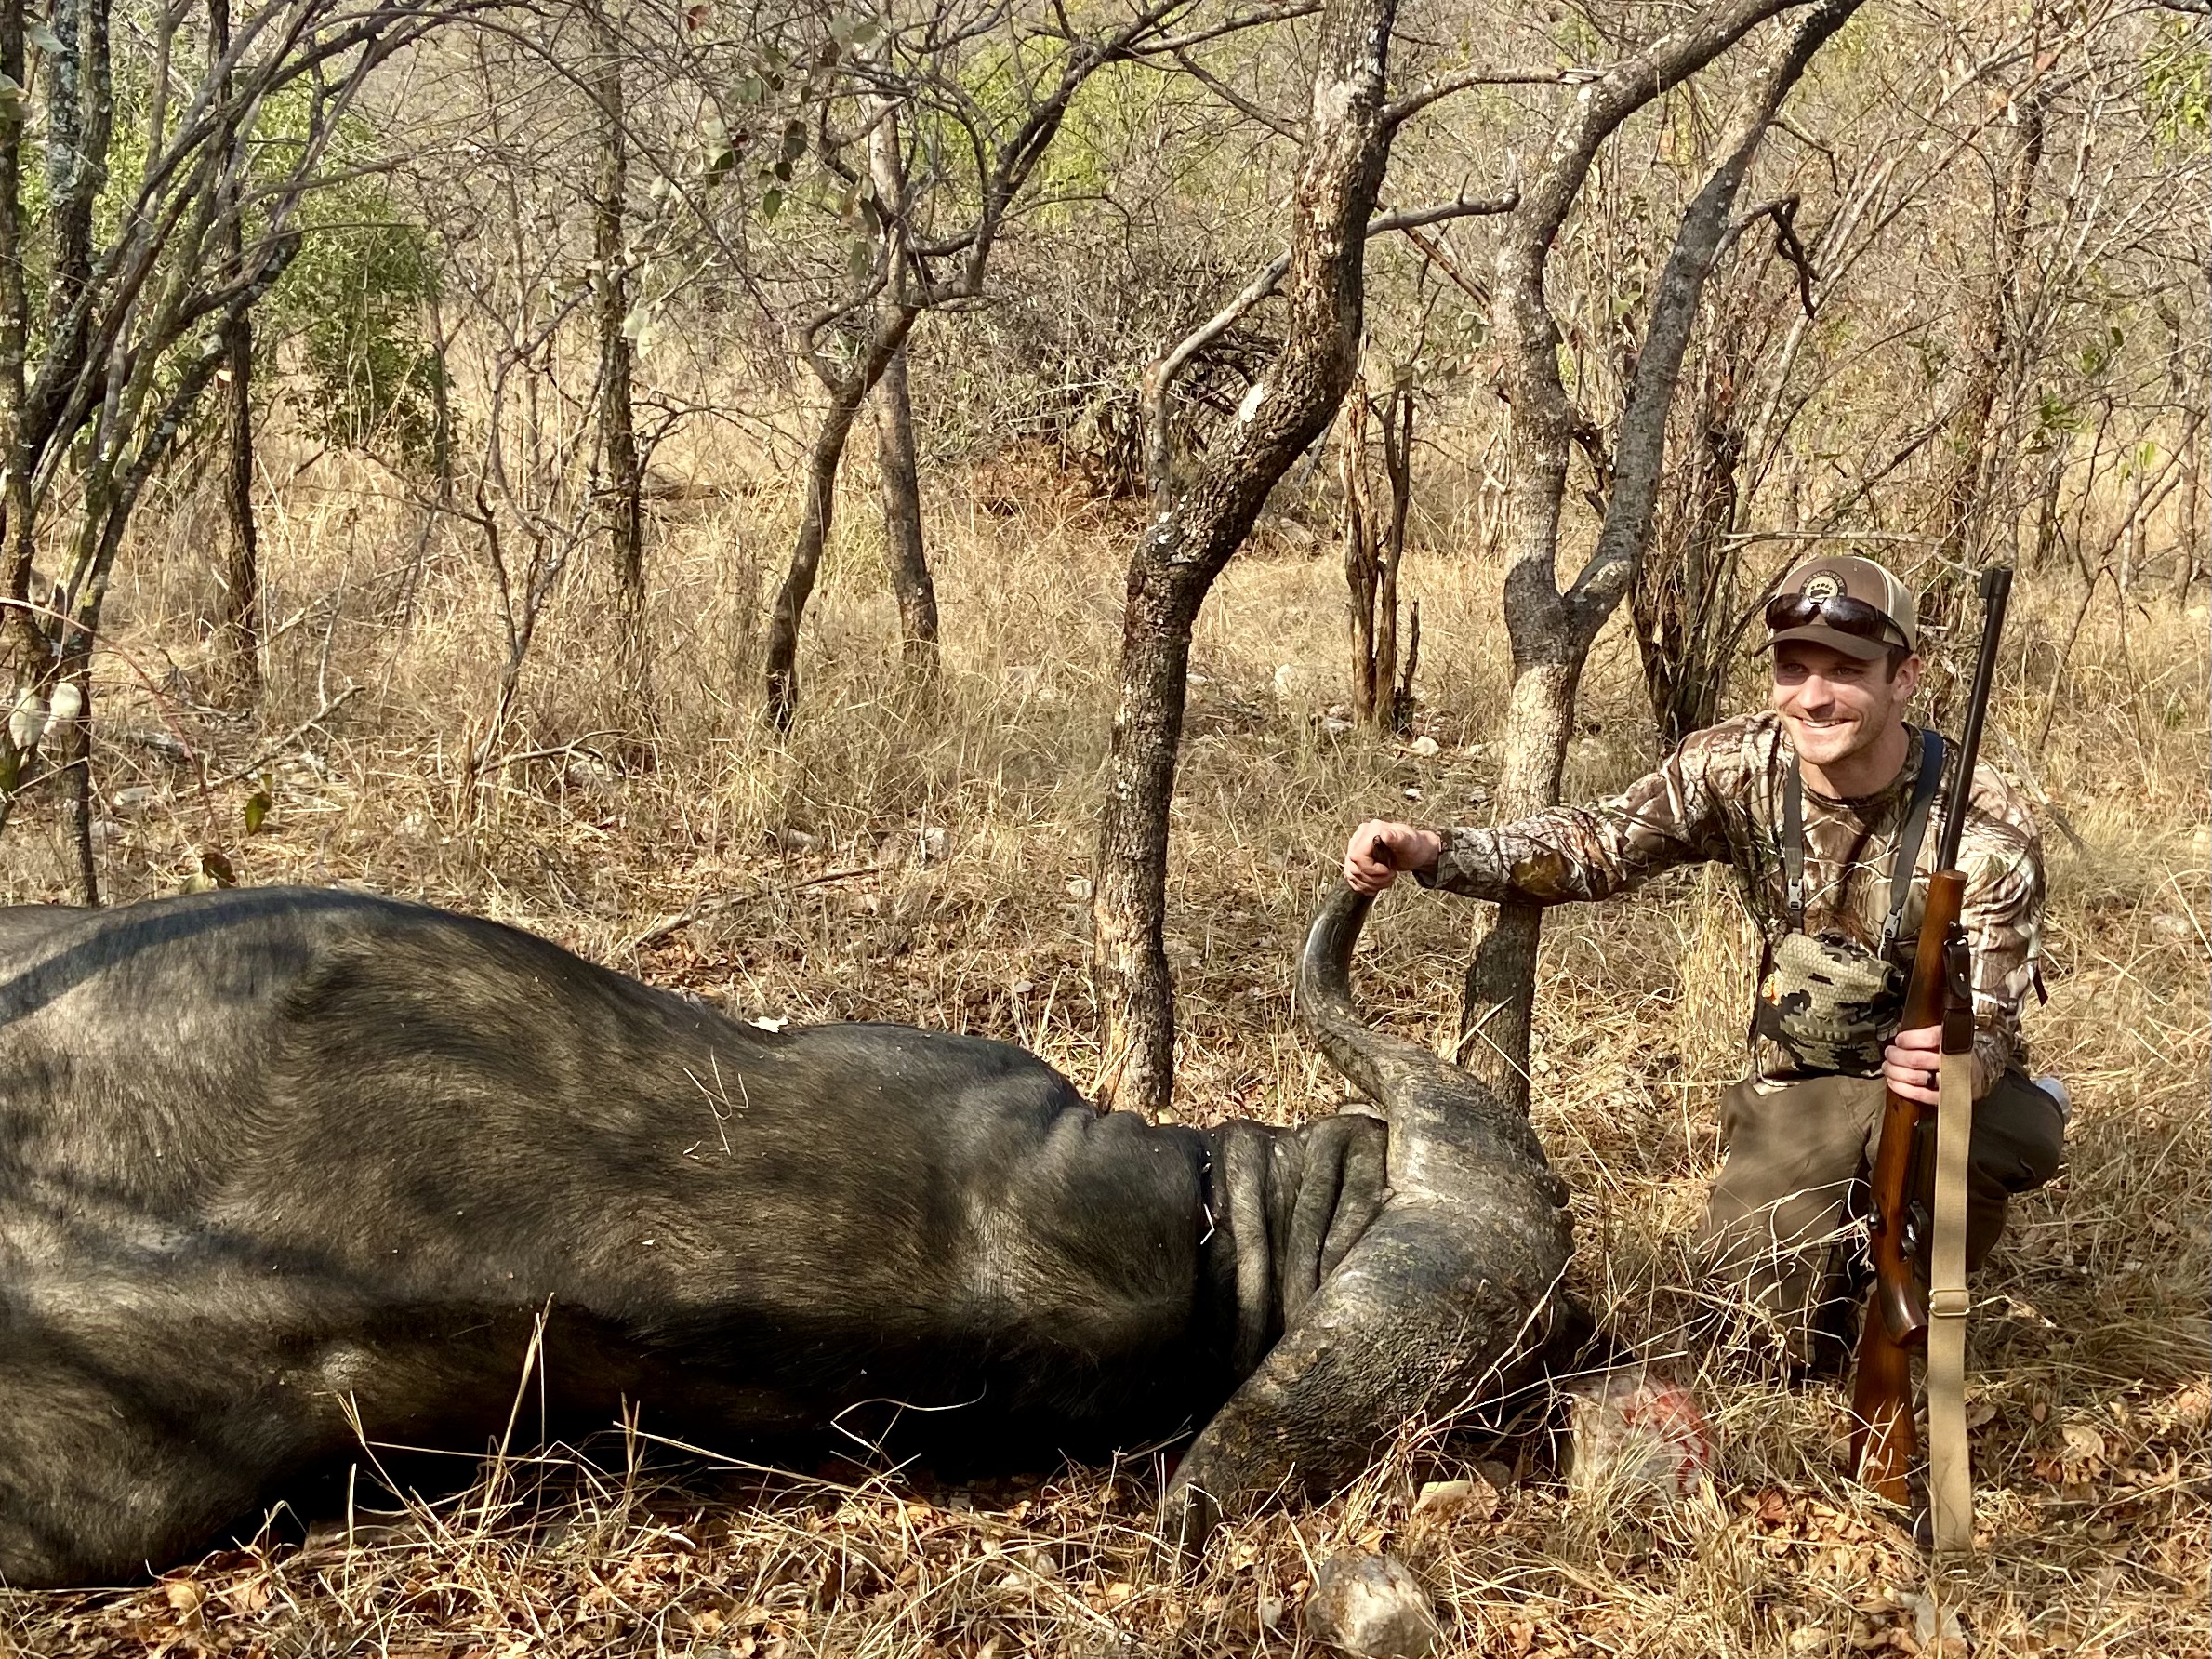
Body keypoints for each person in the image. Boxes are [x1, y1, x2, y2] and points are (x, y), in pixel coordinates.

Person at [1342, 555, 2066, 1376]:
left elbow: (1990, 1020)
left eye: (1845, 672)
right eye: (1792, 669)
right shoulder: (1736, 764)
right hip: (1805, 1073)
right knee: (1739, 1337)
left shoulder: (1982, 824)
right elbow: (1599, 844)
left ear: (1904, 678)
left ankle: (1934, 1238)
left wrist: (1959, 1066)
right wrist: (1436, 850)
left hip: (1929, 1090)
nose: (1813, 697)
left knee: (1953, 1180)